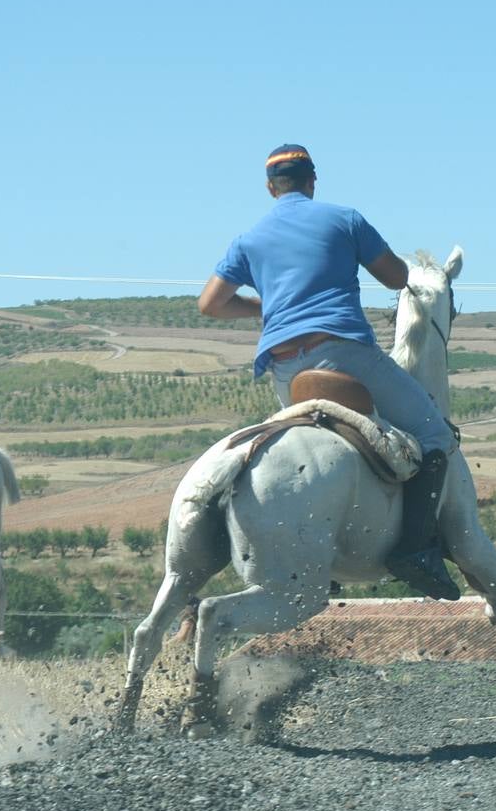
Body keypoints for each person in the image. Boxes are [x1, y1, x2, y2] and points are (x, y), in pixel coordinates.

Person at [196, 144, 459, 601]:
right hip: (344, 354)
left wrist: (268, 306)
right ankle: (415, 550)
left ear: (270, 188)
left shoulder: (248, 239)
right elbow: (398, 279)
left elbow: (210, 304)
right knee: (434, 434)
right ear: (313, 182)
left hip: (284, 370)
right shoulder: (345, 219)